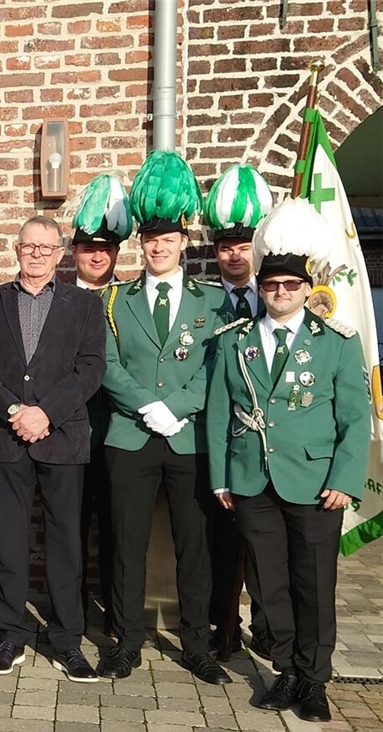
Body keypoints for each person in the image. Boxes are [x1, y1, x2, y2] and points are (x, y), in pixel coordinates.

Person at [207, 198, 370, 722]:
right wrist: (220, 479)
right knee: (267, 584)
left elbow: (354, 418)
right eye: (271, 285)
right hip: (252, 481)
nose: (279, 293)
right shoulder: (236, 342)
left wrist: (346, 478)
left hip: (318, 481)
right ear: (260, 287)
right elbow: (217, 414)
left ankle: (314, 679)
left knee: (315, 584)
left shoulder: (337, 343)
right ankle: (285, 671)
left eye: (290, 286)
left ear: (306, 289)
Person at [98, 150, 231, 686]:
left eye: (168, 239)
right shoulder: (114, 299)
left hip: (187, 437)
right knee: (125, 545)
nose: (158, 247)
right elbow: (105, 362)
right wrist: (144, 405)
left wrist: (174, 408)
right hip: (129, 435)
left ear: (182, 243)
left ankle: (197, 644)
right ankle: (126, 641)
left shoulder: (216, 301)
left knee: (193, 547)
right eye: (150, 240)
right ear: (141, 244)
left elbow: (219, 365)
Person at [0, 215, 105, 681]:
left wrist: (45, 412)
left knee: (65, 544)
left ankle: (67, 641)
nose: (37, 253)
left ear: (60, 254)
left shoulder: (83, 306)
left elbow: (91, 368)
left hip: (61, 438)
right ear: (16, 249)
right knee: (9, 539)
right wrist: (13, 410)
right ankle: (10, 636)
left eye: (46, 247)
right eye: (29, 246)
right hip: (5, 438)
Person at [202, 165, 274, 660]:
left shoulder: (278, 301)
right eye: (226, 247)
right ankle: (220, 623)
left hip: (271, 439)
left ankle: (269, 627)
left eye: (243, 246)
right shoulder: (204, 302)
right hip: (221, 437)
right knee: (223, 541)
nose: (234, 254)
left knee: (270, 547)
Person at [66, 173, 130, 635]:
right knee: (68, 528)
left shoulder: (127, 300)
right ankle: (69, 611)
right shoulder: (59, 299)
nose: (96, 255)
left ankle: (112, 612)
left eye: (105, 249)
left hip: (117, 432)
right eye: (88, 248)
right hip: (69, 432)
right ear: (74, 252)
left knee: (114, 528)